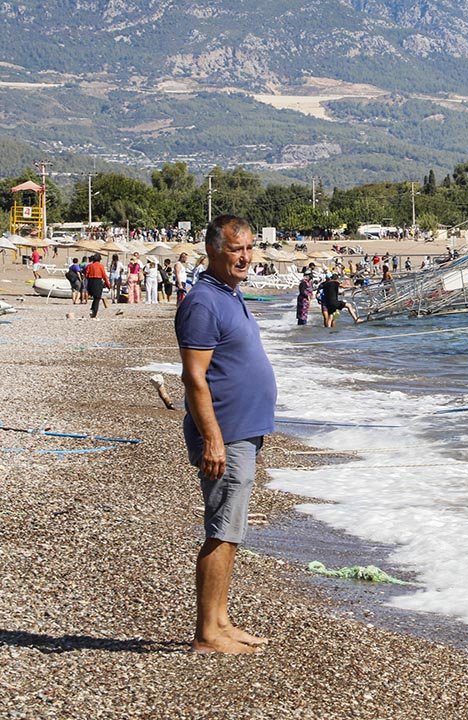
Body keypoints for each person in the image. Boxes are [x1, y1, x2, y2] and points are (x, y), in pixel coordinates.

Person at [175, 215, 276, 655]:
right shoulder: (202, 302)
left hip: (241, 431)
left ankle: (220, 620)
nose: (245, 256)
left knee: (231, 529)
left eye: (250, 247)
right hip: (225, 434)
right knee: (221, 529)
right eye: (236, 249)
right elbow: (194, 378)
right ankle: (207, 634)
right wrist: (212, 439)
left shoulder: (228, 294)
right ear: (213, 250)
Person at [83, 254, 110, 318]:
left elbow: (86, 275)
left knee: (95, 298)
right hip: (97, 282)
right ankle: (94, 312)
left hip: (90, 282)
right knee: (97, 298)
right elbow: (104, 276)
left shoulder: (89, 266)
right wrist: (108, 285)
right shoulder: (101, 266)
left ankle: (92, 310)